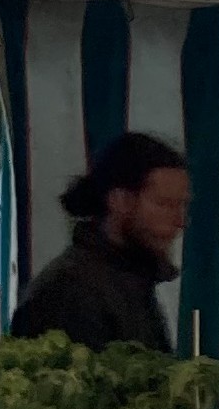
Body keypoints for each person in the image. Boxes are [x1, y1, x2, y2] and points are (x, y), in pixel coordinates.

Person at [9, 131, 188, 349]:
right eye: (165, 204)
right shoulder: (69, 292)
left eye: (181, 205)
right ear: (120, 201)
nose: (179, 221)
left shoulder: (128, 282)